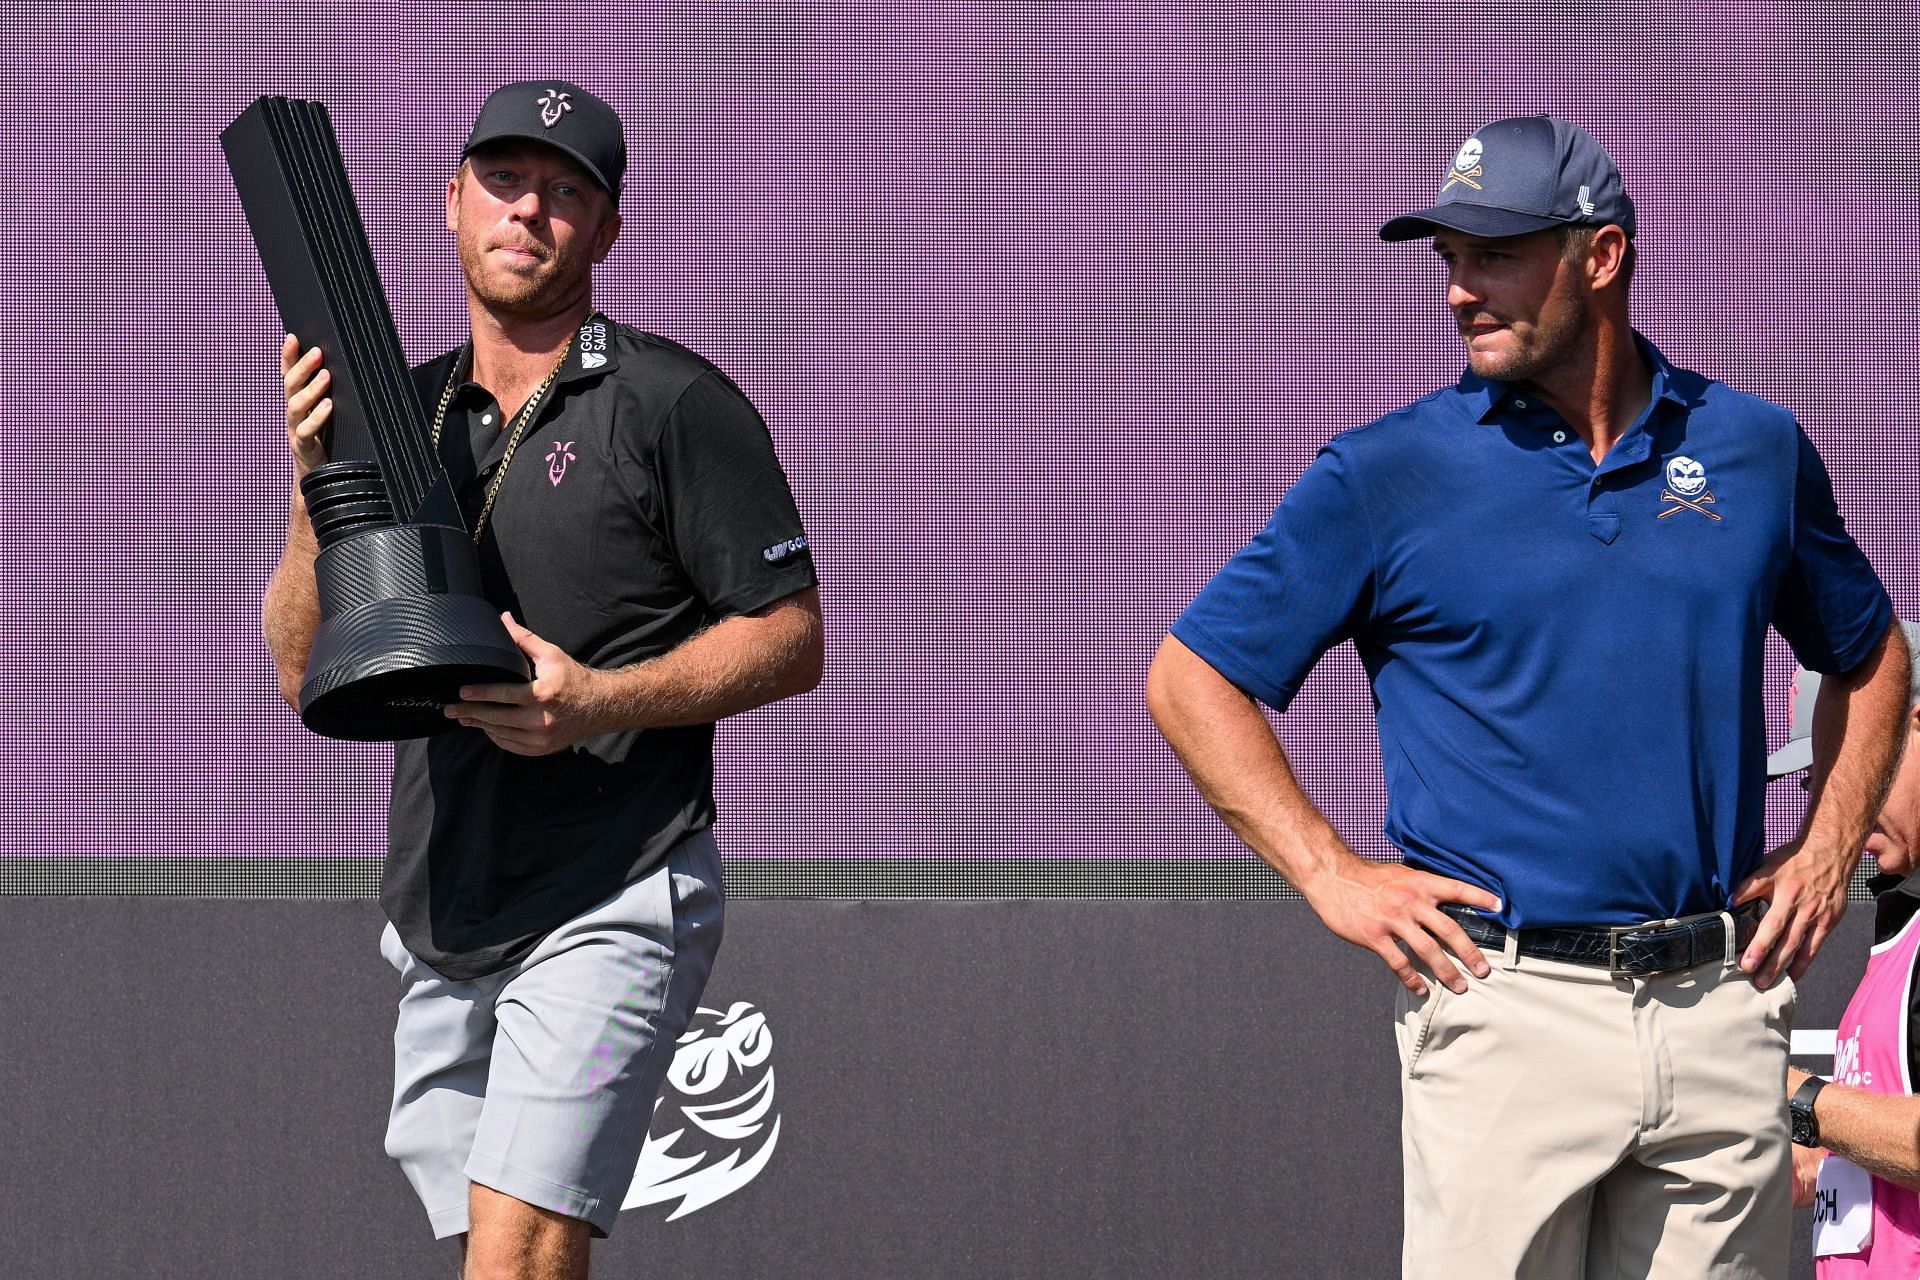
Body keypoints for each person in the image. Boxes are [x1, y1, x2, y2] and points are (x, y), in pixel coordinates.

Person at [1144, 114, 1910, 1279]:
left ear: (1600, 258)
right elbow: (1192, 676)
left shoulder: (1753, 447)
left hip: (1718, 1004)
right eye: (1449, 258)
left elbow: (1873, 649)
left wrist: (1828, 843)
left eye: (1495, 254)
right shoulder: (1385, 471)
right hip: (1505, 1007)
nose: (1460, 289)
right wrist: (1328, 870)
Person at [262, 81, 823, 1280]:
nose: (532, 212)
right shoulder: (393, 409)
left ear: (606, 230)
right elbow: (306, 664)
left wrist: (599, 701)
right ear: (452, 199)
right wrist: (321, 481)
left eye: (568, 191)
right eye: (508, 182)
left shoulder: (673, 402)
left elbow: (789, 635)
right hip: (445, 899)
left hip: (613, 879)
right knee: (493, 1253)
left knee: (515, 1251)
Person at [1772, 622, 1920, 1276]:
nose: (1839, 816)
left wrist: (1798, 1097)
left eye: (1846, 775)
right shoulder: (1895, 920)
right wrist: (1823, 1158)